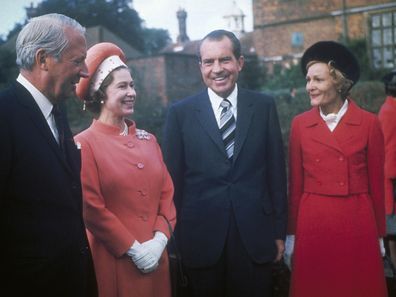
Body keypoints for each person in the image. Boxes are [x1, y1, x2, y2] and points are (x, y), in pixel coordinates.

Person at [162, 29, 287, 297]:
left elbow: (276, 174)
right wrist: (174, 242)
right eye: (209, 62)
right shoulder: (179, 114)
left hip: (255, 237)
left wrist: (279, 232)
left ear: (240, 62)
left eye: (225, 60)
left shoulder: (264, 106)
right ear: (200, 67)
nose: (217, 69)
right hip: (200, 241)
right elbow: (172, 184)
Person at [0, 13, 97, 297]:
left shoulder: (57, 109)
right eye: (78, 61)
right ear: (43, 59)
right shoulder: (4, 116)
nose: (86, 71)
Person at [74, 42, 176, 297]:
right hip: (114, 262)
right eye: (122, 86)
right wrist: (134, 249)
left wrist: (159, 242)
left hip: (156, 260)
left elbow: (167, 196)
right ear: (99, 93)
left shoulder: (149, 140)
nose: (131, 92)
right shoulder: (83, 144)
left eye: (132, 85)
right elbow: (91, 209)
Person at [286, 41, 387, 297]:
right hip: (314, 224)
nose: (310, 86)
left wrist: (379, 235)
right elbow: (295, 186)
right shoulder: (299, 125)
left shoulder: (369, 123)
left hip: (357, 222)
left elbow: (377, 184)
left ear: (339, 82)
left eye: (318, 80)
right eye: (308, 80)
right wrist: (291, 235)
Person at [379, 69, 396, 269]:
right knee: (393, 231)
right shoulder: (390, 112)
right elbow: (389, 148)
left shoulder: (387, 109)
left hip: (390, 176)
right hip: (392, 178)